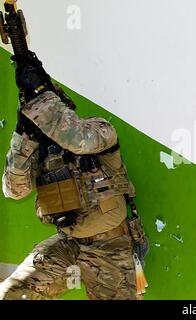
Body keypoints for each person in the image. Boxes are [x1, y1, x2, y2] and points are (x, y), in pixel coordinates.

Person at [0, 51, 147, 300]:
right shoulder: (41, 154)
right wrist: (23, 135)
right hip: (69, 246)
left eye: (47, 113)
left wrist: (38, 96)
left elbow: (77, 139)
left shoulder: (99, 131)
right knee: (13, 295)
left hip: (111, 248)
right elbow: (13, 190)